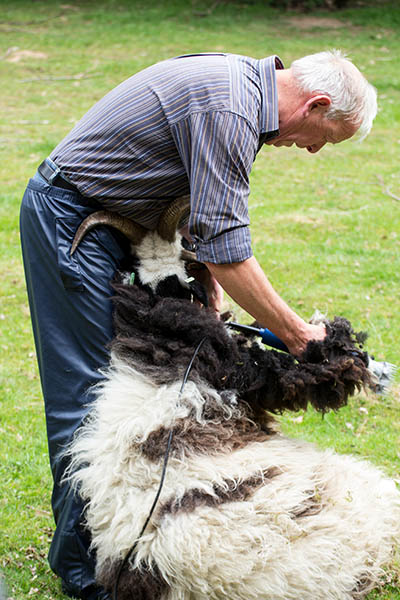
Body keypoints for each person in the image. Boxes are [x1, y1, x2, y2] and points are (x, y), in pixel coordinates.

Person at [20, 49, 377, 599]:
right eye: (323, 137)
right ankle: (85, 571)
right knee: (92, 397)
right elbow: (230, 249)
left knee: (113, 391)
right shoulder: (232, 109)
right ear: (317, 103)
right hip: (77, 222)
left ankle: (96, 546)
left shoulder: (242, 96)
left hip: (122, 221)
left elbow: (198, 213)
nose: (310, 150)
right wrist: (297, 334)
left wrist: (207, 291)